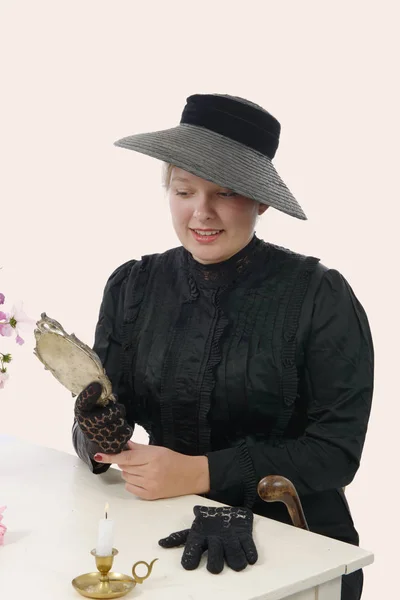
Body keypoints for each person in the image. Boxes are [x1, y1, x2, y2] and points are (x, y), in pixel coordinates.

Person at [72, 93, 374, 598]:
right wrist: (100, 440)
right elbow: (100, 412)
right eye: (185, 190)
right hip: (163, 536)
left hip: (299, 545)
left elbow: (336, 452)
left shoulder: (319, 296)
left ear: (260, 200)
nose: (201, 213)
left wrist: (200, 472)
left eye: (225, 193)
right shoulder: (133, 286)